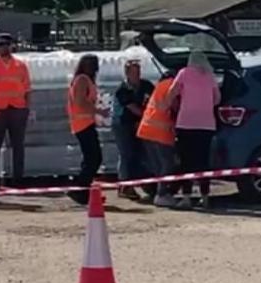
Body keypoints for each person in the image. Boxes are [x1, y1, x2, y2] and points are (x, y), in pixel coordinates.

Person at [170, 50, 221, 209]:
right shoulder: (210, 76)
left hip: (186, 123)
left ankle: (186, 196)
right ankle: (205, 197)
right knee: (203, 162)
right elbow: (217, 98)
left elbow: (172, 92)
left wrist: (169, 105)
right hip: (206, 125)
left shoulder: (184, 73)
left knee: (186, 161)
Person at [0, 33, 31, 189]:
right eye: (1, 44)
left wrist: (27, 108)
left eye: (7, 44)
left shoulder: (20, 65)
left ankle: (18, 180)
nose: (4, 47)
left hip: (17, 108)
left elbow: (27, 88)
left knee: (18, 146)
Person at [66, 54, 107, 205]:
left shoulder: (85, 80)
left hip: (85, 123)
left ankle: (83, 190)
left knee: (90, 158)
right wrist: (98, 111)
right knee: (94, 158)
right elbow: (80, 102)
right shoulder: (82, 80)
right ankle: (80, 190)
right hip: (82, 124)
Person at [136, 71, 179, 208]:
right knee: (167, 164)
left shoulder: (160, 86)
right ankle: (162, 194)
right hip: (160, 132)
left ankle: (156, 191)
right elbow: (175, 106)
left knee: (157, 165)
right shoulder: (174, 85)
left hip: (146, 129)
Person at [113, 60, 155, 200]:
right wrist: (148, 116)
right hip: (123, 125)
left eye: (138, 71)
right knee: (126, 153)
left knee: (141, 152)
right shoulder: (122, 89)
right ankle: (125, 185)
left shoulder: (146, 85)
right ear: (127, 74)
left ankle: (145, 182)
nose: (137, 75)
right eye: (133, 72)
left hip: (140, 124)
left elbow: (154, 99)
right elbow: (132, 108)